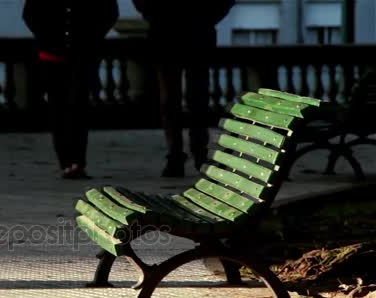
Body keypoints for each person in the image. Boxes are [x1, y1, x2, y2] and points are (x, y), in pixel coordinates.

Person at [132, 0, 236, 177]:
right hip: (194, 33)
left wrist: (156, 17)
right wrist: (206, 20)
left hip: (167, 32)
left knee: (174, 100)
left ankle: (178, 155)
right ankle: (196, 152)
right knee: (195, 99)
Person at [23, 0, 119, 179]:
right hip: (53, 53)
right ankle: (66, 161)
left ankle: (77, 161)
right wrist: (46, 36)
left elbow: (110, 13)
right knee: (59, 107)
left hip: (82, 53)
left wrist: (92, 37)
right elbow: (30, 14)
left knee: (78, 105)